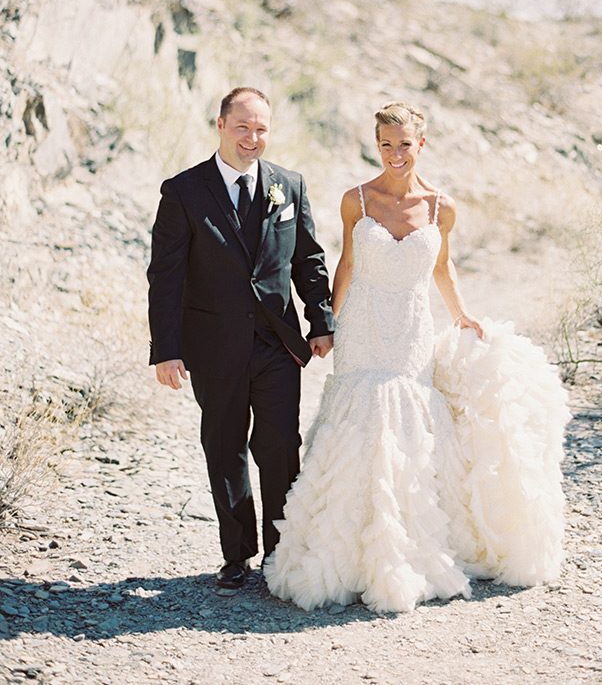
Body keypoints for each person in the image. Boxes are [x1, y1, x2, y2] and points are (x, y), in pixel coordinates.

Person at [265, 102, 570, 613]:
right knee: (361, 415)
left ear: (421, 144)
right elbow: (345, 265)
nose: (395, 153)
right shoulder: (355, 200)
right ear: (376, 145)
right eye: (386, 144)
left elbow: (442, 268)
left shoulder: (440, 207)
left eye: (404, 143)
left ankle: (407, 547)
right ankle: (347, 551)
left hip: (411, 328)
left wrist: (462, 314)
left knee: (409, 421)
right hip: (362, 325)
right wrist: (325, 324)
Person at [147, 87, 335, 590]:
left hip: (277, 345)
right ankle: (237, 556)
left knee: (279, 446)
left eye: (262, 129)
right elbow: (165, 277)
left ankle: (281, 552)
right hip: (213, 347)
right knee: (224, 447)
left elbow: (309, 261)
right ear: (221, 125)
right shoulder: (183, 191)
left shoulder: (288, 186)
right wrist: (166, 350)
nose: (253, 138)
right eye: (243, 127)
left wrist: (321, 322)